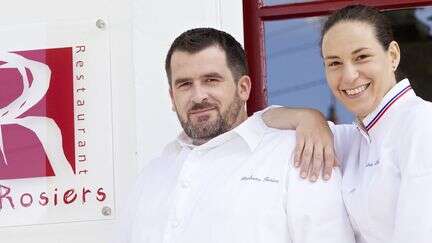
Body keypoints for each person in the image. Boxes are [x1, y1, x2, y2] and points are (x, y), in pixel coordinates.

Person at [117, 27, 355, 243]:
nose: (198, 95)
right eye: (185, 84)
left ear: (243, 88)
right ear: (172, 97)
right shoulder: (151, 176)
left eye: (211, 80)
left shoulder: (298, 154)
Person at [263, 4, 432, 243]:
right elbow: (265, 120)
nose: (349, 75)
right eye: (334, 63)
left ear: (392, 55)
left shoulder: (422, 124)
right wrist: (309, 117)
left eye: (361, 57)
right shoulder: (353, 140)